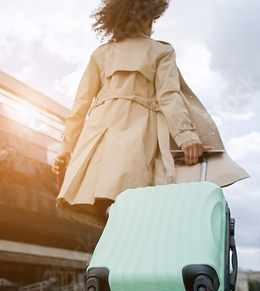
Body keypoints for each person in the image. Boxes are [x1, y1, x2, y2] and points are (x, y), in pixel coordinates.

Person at [52, 0, 248, 226]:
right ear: (149, 18)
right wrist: (187, 137)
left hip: (97, 141)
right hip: (137, 140)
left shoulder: (101, 54)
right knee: (137, 214)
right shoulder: (161, 51)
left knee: (109, 217)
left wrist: (66, 150)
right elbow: (169, 97)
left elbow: (79, 108)